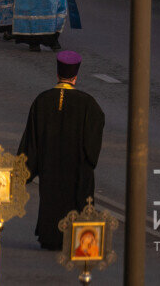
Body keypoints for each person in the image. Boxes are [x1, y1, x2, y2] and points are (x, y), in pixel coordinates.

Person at [17, 51, 105, 250]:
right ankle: (80, 243)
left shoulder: (42, 100)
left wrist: (24, 171)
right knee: (77, 202)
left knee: (51, 201)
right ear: (76, 76)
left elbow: (31, 140)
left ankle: (50, 237)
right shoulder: (88, 104)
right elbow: (94, 140)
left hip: (50, 168)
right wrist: (89, 159)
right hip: (77, 170)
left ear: (58, 74)